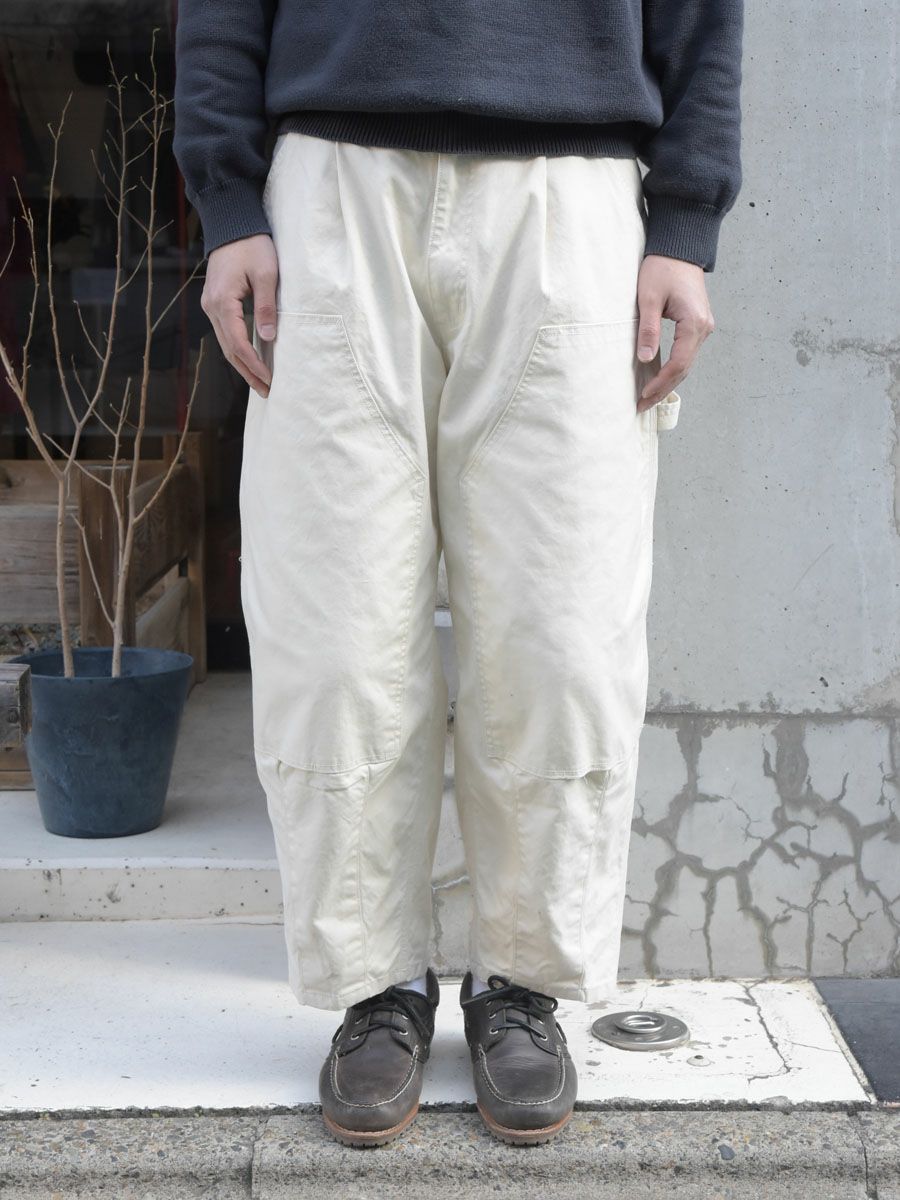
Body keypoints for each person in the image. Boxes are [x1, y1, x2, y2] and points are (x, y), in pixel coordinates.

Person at [173, 0, 743, 1148]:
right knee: (333, 628)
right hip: (330, 190)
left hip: (570, 192)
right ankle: (375, 984)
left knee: (562, 628)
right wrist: (227, 202)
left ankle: (518, 982)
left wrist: (685, 220)